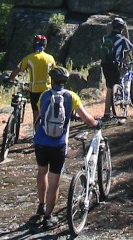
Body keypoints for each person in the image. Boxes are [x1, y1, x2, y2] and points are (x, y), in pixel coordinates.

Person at [32, 66, 99, 230]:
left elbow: (41, 114)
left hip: (40, 142)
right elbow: (87, 119)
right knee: (54, 182)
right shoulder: (71, 96)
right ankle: (48, 217)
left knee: (42, 172)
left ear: (52, 80)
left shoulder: (44, 95)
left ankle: (41, 205)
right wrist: (97, 123)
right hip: (58, 144)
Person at [6, 35, 56, 128]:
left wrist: (10, 78)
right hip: (47, 90)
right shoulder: (50, 58)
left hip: (34, 90)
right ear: (45, 45)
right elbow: (55, 73)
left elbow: (16, 71)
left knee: (36, 114)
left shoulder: (29, 58)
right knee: (47, 112)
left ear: (34, 45)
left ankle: (37, 133)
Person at [101, 17, 133, 120]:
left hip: (105, 64)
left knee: (110, 87)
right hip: (115, 65)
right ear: (122, 28)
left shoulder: (105, 38)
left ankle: (107, 113)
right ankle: (120, 107)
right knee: (117, 84)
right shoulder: (122, 39)